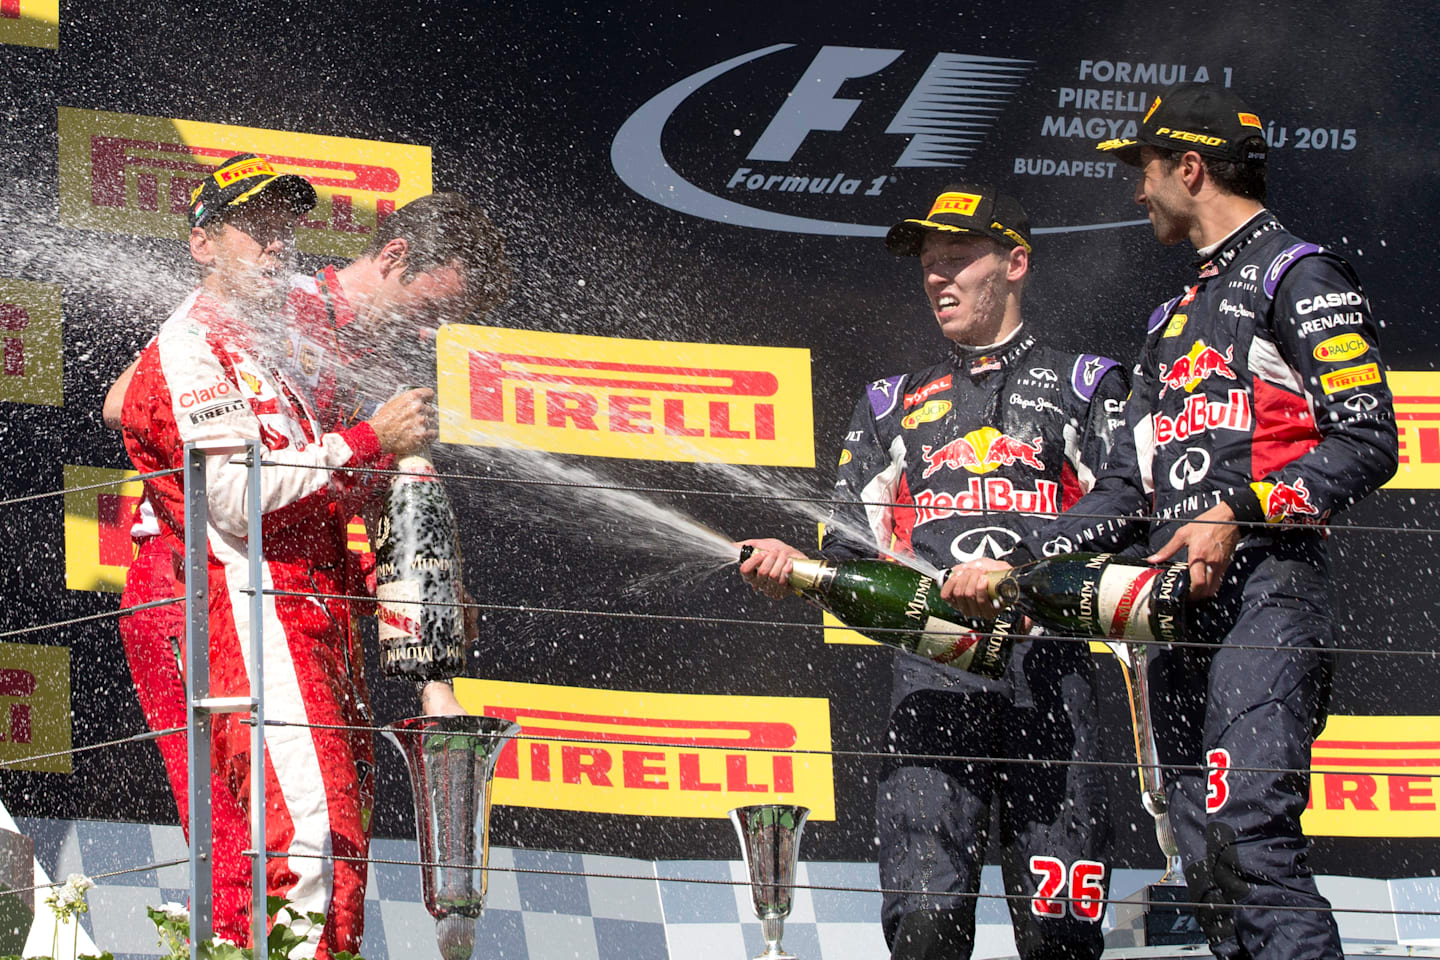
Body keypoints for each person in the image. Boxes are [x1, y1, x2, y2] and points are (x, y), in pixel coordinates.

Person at [946, 83, 1398, 960]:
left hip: (1269, 591)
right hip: (1172, 614)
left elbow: (1369, 440)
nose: (1134, 191)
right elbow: (1125, 489)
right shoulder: (1168, 321)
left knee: (1249, 836)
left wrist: (1240, 511)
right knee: (1202, 854)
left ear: (1190, 169)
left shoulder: (1296, 274)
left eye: (1143, 171)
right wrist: (1021, 558)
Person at [115, 156, 498, 957]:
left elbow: (341, 496)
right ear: (393, 259)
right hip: (203, 581)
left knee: (297, 834)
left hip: (297, 590)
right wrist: (195, 476)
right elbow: (132, 401)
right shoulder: (266, 315)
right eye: (431, 309)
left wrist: (422, 612)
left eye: (287, 231)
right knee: (281, 836)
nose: (430, 334)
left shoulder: (300, 341)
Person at [741, 185, 1127, 959]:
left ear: (1015, 263)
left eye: (957, 259)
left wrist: (1016, 569)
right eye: (928, 265)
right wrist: (796, 568)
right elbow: (848, 552)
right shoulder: (890, 402)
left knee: (1060, 935)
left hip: (1051, 676)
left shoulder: (1088, 382)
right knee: (925, 924)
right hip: (930, 683)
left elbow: (1125, 502)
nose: (937, 278)